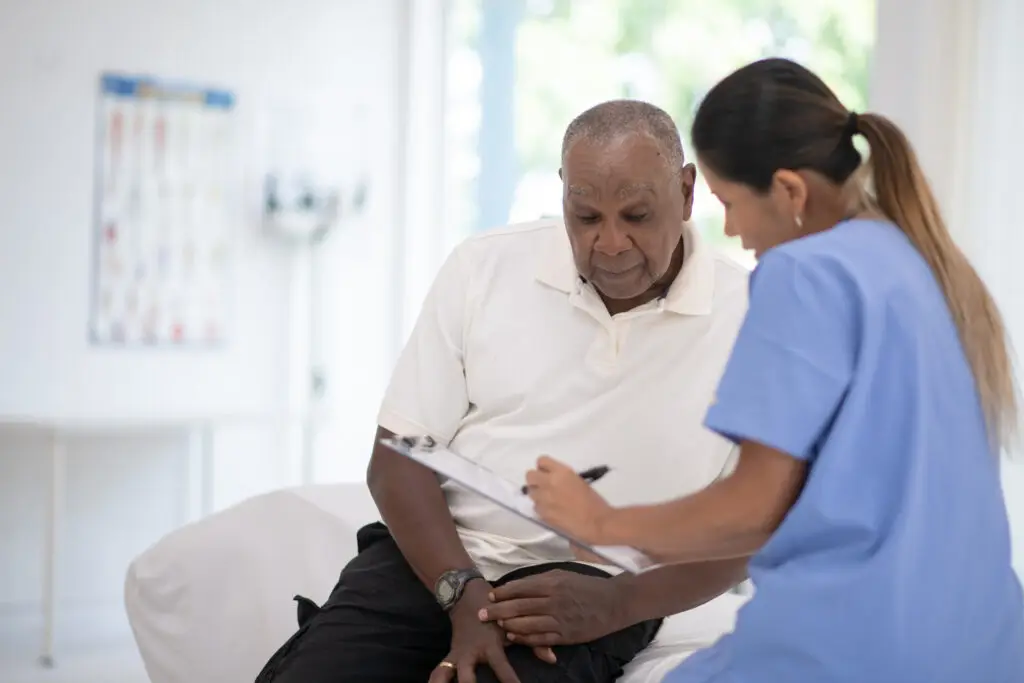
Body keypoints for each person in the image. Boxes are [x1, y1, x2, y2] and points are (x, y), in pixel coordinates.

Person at [525, 57, 1024, 683]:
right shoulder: (921, 263)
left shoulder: (804, 273)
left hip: (852, 648)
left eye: (730, 203)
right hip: (987, 645)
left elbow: (756, 507)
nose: (730, 229)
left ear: (789, 192)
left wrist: (600, 522)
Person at [254, 100, 752, 683]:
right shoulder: (484, 267)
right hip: (439, 560)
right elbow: (398, 457)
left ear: (687, 193)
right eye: (586, 216)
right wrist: (463, 592)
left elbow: (752, 525)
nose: (611, 243)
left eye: (637, 216)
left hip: (594, 584)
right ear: (563, 192)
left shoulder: (753, 317)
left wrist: (618, 605)